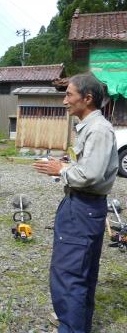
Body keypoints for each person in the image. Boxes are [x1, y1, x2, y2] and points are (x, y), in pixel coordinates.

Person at [33, 73, 118, 333]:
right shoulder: (92, 126)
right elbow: (90, 168)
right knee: (81, 272)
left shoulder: (98, 129)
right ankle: (77, 324)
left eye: (69, 94)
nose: (64, 100)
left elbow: (90, 174)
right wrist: (67, 166)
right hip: (82, 206)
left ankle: (71, 327)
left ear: (87, 98)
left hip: (83, 207)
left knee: (69, 274)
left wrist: (61, 170)